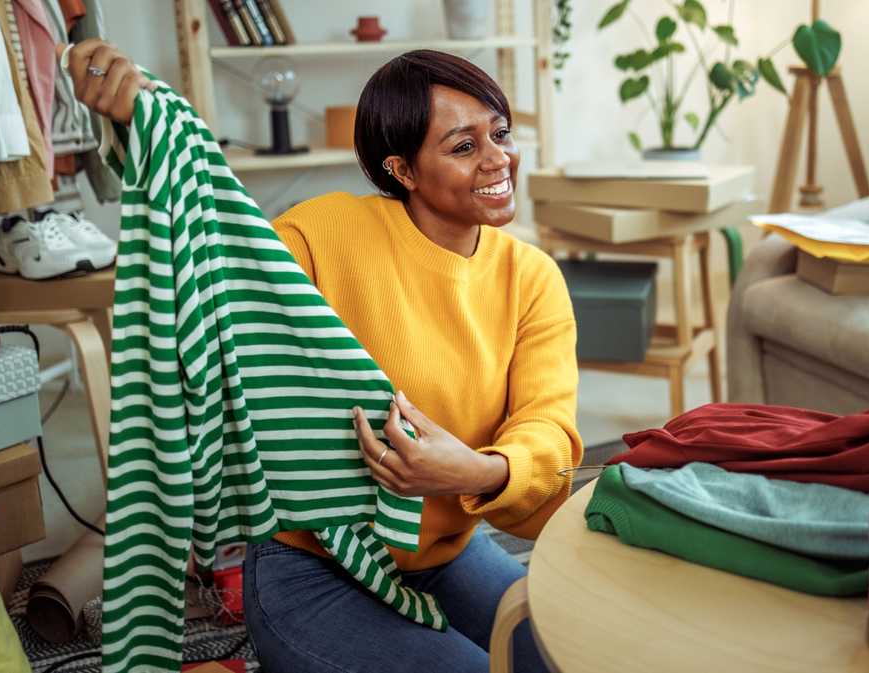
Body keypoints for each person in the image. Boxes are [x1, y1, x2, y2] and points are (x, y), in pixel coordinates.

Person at [61, 39, 582, 673]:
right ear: (403, 170)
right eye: (465, 145)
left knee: (566, 654)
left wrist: (472, 472)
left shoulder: (532, 277)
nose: (500, 159)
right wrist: (141, 122)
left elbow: (546, 430)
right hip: (310, 566)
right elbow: (214, 263)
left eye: (500, 133)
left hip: (446, 554)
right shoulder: (323, 234)